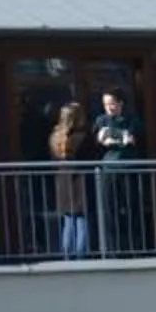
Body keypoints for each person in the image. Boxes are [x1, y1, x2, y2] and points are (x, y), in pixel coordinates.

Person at [92, 89, 142, 254]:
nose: (109, 107)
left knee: (131, 206)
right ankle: (111, 248)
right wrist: (119, 137)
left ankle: (133, 246)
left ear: (120, 103)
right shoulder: (101, 120)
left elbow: (132, 139)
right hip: (108, 169)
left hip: (128, 167)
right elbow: (100, 140)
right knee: (108, 208)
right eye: (105, 104)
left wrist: (114, 136)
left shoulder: (131, 120)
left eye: (112, 103)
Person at [47, 102, 92, 258]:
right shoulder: (82, 137)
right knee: (81, 220)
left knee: (68, 221)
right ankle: (80, 256)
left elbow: (53, 160)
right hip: (80, 183)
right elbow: (91, 156)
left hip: (62, 182)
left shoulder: (55, 137)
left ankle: (67, 254)